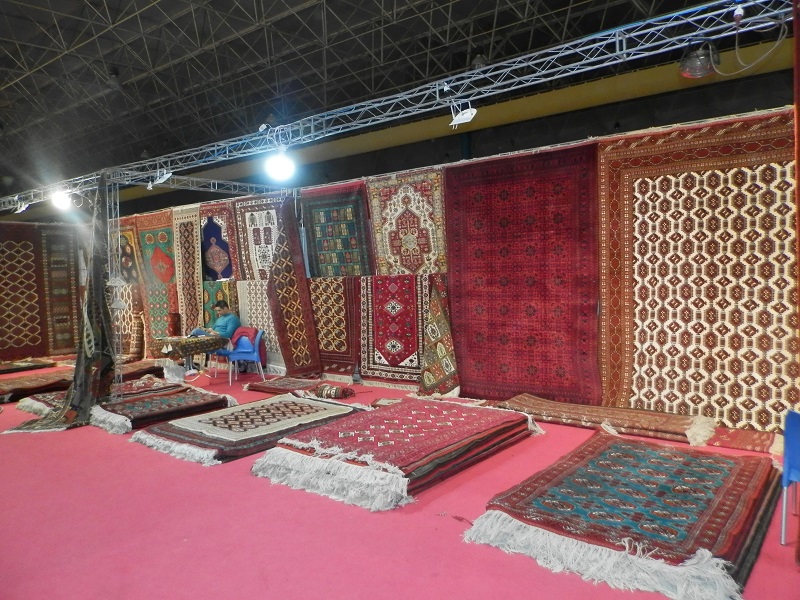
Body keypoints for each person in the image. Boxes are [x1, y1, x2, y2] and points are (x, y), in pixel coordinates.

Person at [185, 300, 241, 372]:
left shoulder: (233, 318)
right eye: (217, 311)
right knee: (193, 340)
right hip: (213, 338)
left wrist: (217, 333)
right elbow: (213, 329)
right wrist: (207, 330)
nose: (218, 312)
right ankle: (189, 364)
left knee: (195, 332)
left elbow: (228, 334)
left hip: (222, 341)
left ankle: (189, 364)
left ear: (225, 308)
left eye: (219, 310)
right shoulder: (220, 318)